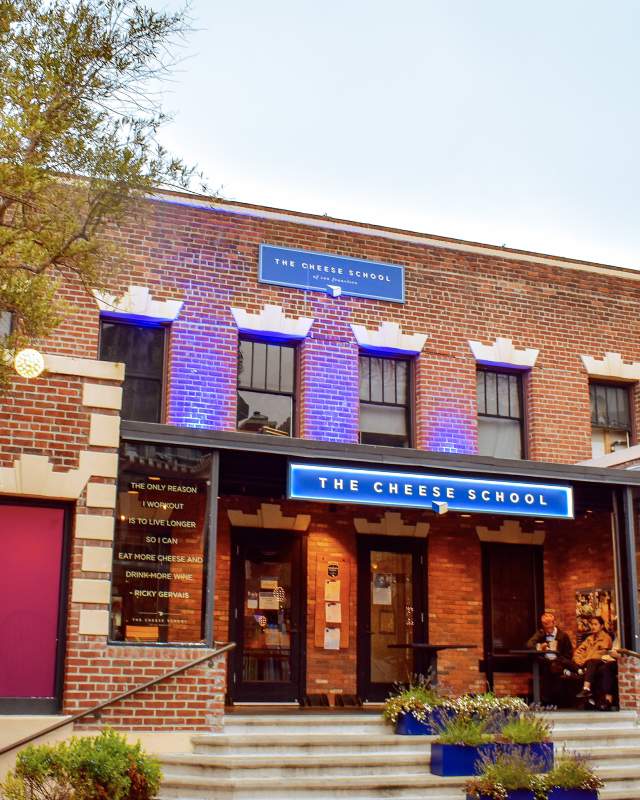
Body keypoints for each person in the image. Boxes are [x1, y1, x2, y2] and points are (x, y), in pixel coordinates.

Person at [526, 611, 574, 706]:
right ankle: (547, 700)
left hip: (559, 661)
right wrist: (539, 645)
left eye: (548, 625)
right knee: (547, 667)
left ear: (554, 623)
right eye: (544, 625)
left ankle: (548, 700)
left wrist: (559, 660)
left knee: (553, 668)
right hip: (545, 662)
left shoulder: (563, 636)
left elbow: (569, 653)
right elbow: (529, 645)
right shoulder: (541, 633)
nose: (547, 628)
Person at [574, 616, 615, 709]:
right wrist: (580, 661)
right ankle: (588, 696)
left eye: (595, 624)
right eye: (591, 624)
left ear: (601, 626)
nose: (593, 626)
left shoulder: (606, 638)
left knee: (592, 662)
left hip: (600, 663)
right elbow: (578, 652)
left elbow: (601, 655)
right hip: (587, 663)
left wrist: (586, 660)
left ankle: (586, 689)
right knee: (567, 662)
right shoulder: (589, 638)